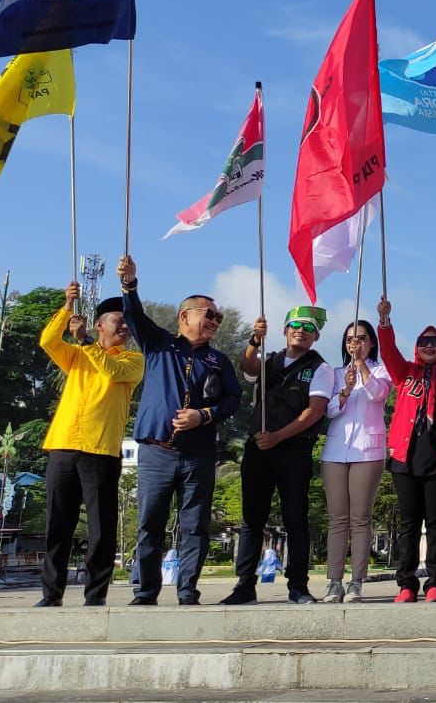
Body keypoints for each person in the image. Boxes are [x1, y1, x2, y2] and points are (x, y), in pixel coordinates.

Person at [117, 255, 241, 606]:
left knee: (195, 526)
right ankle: (145, 592)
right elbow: (135, 317)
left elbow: (234, 399)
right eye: (209, 314)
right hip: (156, 451)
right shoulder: (158, 344)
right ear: (185, 316)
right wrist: (129, 285)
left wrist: (204, 415)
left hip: (198, 455)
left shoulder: (218, 360)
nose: (215, 321)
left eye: (219, 317)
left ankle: (188, 590)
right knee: (149, 524)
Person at [34, 283, 143, 607]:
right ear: (99, 324)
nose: (123, 326)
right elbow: (48, 341)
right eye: (117, 320)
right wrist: (67, 307)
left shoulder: (133, 361)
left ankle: (95, 595)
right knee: (58, 525)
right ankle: (51, 594)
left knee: (101, 528)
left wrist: (84, 342)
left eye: (127, 322)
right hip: (64, 446)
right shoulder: (76, 356)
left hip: (101, 451)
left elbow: (109, 371)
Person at [221, 305, 331, 605]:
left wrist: (279, 436)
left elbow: (315, 411)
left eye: (308, 328)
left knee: (296, 519)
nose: (301, 331)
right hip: (258, 448)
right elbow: (248, 367)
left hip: (293, 450)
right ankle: (244, 585)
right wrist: (254, 339)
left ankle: (298, 585)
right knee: (251, 520)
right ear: (284, 331)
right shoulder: (269, 360)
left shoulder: (320, 368)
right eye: (295, 325)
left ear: (316, 336)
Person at [378, 297, 436, 603]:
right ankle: (406, 584)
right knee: (409, 524)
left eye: (435, 342)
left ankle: (435, 583)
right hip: (405, 458)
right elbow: (387, 351)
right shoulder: (405, 373)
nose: (429, 345)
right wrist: (385, 321)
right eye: (424, 341)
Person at [321, 320, 393, 603]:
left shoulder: (380, 370)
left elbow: (379, 394)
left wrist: (362, 367)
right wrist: (346, 390)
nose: (356, 343)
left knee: (360, 518)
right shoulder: (335, 373)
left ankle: (356, 582)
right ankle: (334, 581)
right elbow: (329, 411)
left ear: (371, 342)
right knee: (338, 518)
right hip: (336, 452)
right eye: (350, 339)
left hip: (367, 451)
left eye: (361, 338)